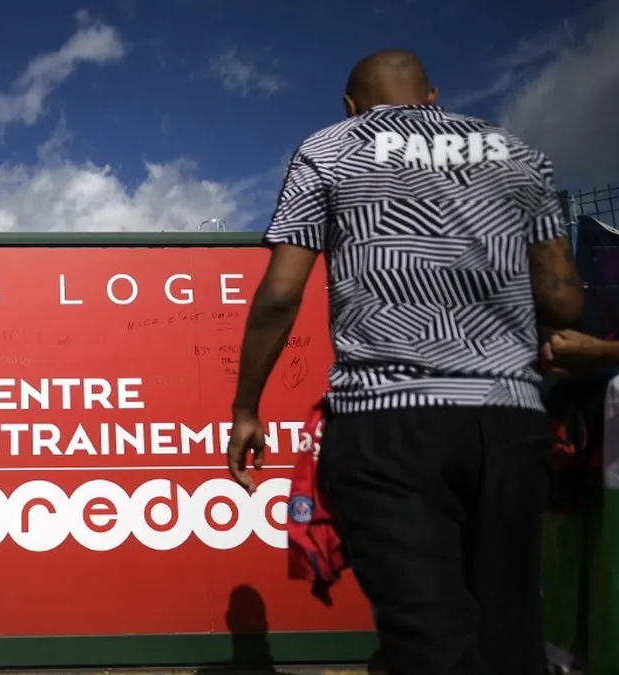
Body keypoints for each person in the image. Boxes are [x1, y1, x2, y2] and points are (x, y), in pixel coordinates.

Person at [225, 49, 585, 675]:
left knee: (426, 634)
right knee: (511, 630)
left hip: (387, 419)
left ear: (350, 105)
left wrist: (245, 409)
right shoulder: (518, 153)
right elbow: (561, 300)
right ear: (432, 96)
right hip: (509, 420)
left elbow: (280, 295)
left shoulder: (330, 148)